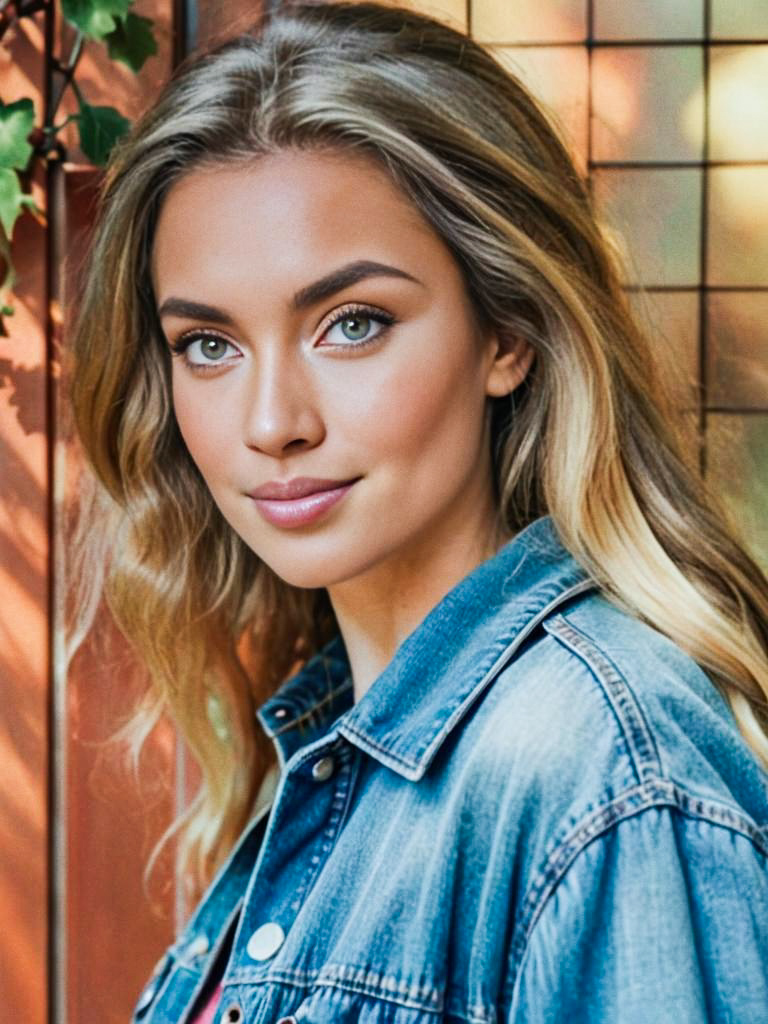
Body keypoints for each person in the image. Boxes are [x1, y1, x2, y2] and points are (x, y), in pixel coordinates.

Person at [65, 2, 768, 1021]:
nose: (271, 422)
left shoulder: (599, 770)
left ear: (508, 332)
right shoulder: (341, 747)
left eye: (353, 324)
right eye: (208, 344)